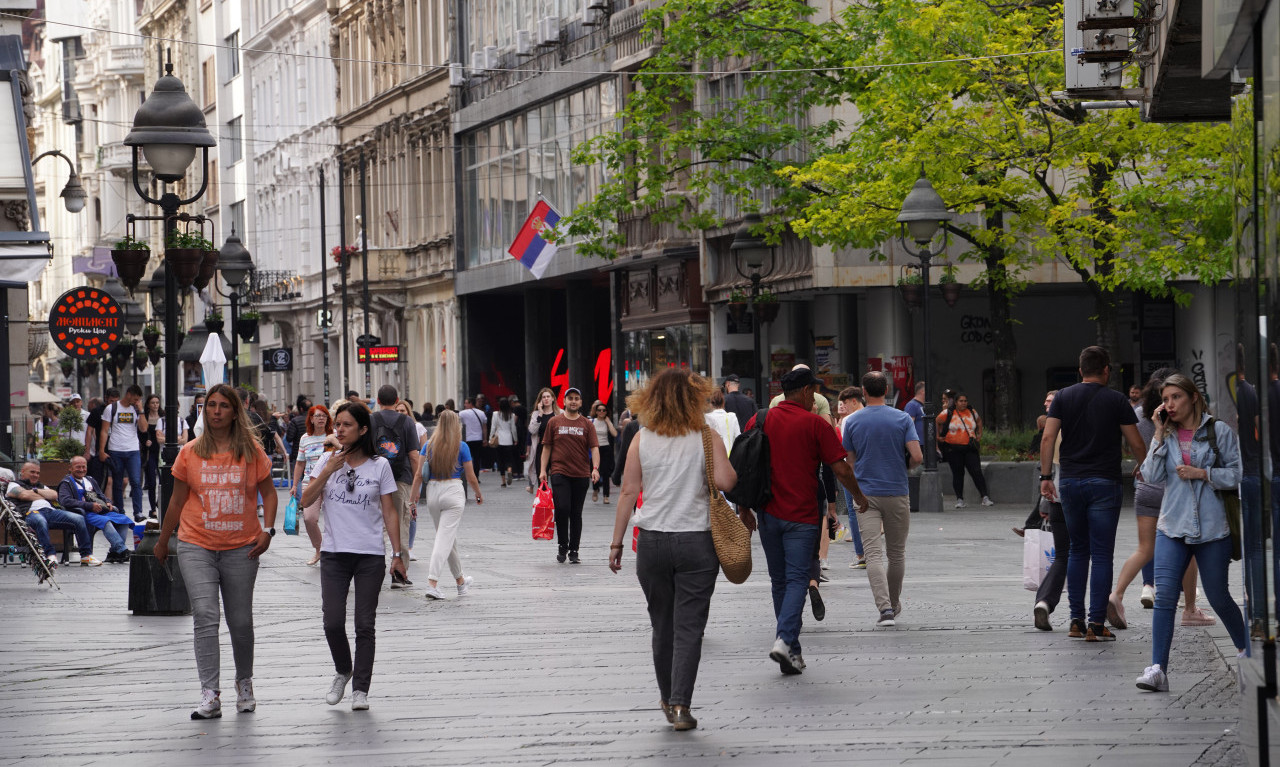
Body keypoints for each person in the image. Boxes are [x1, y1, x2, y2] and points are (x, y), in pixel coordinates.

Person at [608, 368, 737, 732]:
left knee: (661, 625)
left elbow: (628, 493)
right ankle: (681, 704)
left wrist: (617, 543)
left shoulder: (641, 439)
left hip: (651, 541)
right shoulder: (706, 437)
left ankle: (667, 699)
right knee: (689, 627)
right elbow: (727, 481)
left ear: (652, 399)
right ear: (695, 398)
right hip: (697, 539)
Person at [154, 383, 277, 720]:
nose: (217, 411)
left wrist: (268, 532)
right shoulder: (190, 451)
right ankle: (210, 693)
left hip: (242, 546)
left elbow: (270, 493)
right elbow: (177, 500)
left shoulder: (251, 450)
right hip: (196, 544)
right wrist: (164, 540)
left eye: (224, 405)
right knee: (205, 616)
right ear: (204, 411)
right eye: (211, 406)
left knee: (240, 621)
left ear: (235, 411)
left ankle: (244, 683)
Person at [741, 367, 868, 674]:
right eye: (815, 389)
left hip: (767, 514)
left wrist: (743, 509)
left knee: (780, 581)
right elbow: (841, 469)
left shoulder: (759, 420)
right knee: (798, 578)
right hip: (802, 516)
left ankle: (792, 653)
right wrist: (860, 498)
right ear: (807, 391)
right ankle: (784, 640)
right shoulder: (815, 425)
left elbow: (743, 464)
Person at [1135, 373, 1248, 692]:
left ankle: (1244, 654)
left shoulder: (1219, 431)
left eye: (1175, 398)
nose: (1169, 404)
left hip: (1214, 529)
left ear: (1193, 397)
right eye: (1165, 399)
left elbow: (1237, 474)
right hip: (1173, 526)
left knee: (1218, 596)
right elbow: (1151, 475)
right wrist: (1157, 435)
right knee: (1165, 597)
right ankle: (1157, 669)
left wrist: (1203, 473)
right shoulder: (1166, 435)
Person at [300, 401, 407, 711]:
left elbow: (390, 511)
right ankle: (343, 669)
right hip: (333, 553)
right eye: (338, 425)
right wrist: (326, 472)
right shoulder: (326, 461)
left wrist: (397, 554)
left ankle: (360, 689)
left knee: (364, 624)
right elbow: (306, 498)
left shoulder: (380, 466)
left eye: (346, 425)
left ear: (363, 430)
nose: (339, 430)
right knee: (332, 623)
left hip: (369, 554)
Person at [1040, 346, 1146, 642]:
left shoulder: (1062, 397)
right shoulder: (1116, 400)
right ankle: (1096, 624)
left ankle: (1075, 620)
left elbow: (1048, 437)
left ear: (1080, 370)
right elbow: (1136, 442)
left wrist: (1046, 476)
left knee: (1076, 550)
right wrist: (1144, 465)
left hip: (1071, 482)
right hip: (1104, 483)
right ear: (1107, 370)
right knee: (1101, 555)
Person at [1109, 370, 1213, 630]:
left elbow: (1134, 444)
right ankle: (1189, 609)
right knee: (1189, 550)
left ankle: (1116, 595)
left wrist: (1141, 462)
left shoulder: (1139, 415)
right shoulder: (1180, 419)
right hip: (1174, 490)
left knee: (1145, 549)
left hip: (1145, 485)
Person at [843, 371, 923, 626]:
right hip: (897, 491)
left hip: (866, 494)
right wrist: (904, 466)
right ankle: (895, 602)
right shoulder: (902, 418)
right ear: (886, 390)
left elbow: (850, 461)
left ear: (863, 392)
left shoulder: (853, 421)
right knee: (897, 554)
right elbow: (918, 456)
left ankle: (885, 609)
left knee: (873, 554)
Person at [408, 409, 483, 600]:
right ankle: (432, 583)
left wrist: (413, 496)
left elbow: (418, 474)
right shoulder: (462, 446)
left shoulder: (429, 445)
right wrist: (478, 494)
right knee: (444, 540)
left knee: (447, 538)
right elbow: (471, 476)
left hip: (433, 493)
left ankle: (460, 582)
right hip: (453, 492)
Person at [370, 385, 424, 588]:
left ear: (378, 399)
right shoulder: (407, 421)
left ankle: (372, 571)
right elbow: (413, 454)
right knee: (401, 524)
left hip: (375, 479)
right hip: (401, 479)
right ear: (398, 399)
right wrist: (417, 485)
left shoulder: (371, 420)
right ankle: (399, 574)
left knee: (374, 524)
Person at [539, 386, 601, 564]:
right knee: (562, 508)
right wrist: (543, 470)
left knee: (576, 512)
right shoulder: (554, 422)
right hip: (559, 472)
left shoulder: (587, 424)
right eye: (570, 398)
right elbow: (547, 447)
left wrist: (595, 468)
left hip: (581, 473)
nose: (573, 401)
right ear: (564, 401)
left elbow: (595, 448)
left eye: (576, 398)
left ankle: (574, 549)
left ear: (580, 402)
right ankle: (562, 545)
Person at [6, 461, 101, 567]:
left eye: (38, 473)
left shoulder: (40, 485)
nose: (35, 475)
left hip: (50, 512)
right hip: (30, 513)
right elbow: (23, 495)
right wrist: (43, 495)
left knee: (79, 518)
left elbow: (54, 495)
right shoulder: (13, 484)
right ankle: (50, 555)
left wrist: (35, 491)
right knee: (40, 521)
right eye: (32, 472)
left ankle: (86, 555)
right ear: (22, 472)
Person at [58, 455, 133, 563]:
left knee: (124, 520)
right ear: (70, 468)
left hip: (99, 512)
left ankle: (114, 553)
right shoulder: (66, 483)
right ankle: (122, 549)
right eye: (78, 467)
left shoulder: (90, 480)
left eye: (84, 467)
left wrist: (108, 502)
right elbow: (65, 501)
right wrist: (89, 506)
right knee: (105, 521)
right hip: (82, 514)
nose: (81, 470)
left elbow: (101, 495)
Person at [292, 405, 337, 567]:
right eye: (317, 416)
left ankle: (335, 551)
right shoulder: (305, 438)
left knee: (335, 519)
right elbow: (299, 463)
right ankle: (319, 549)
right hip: (310, 483)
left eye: (324, 416)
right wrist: (294, 484)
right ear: (311, 418)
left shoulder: (334, 436)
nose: (321, 418)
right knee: (309, 518)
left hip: (332, 482)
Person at [99, 384, 149, 522]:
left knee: (136, 481)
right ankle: (120, 511)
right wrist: (102, 451)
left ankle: (138, 512)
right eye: (136, 398)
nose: (137, 401)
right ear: (129, 394)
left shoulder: (136, 409)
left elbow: (144, 429)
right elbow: (104, 430)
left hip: (133, 449)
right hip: (116, 449)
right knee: (117, 482)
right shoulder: (112, 408)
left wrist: (141, 410)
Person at [935, 392, 993, 508]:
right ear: (956, 402)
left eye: (965, 401)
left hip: (970, 447)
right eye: (961, 401)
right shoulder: (948, 413)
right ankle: (960, 499)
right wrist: (938, 436)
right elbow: (937, 421)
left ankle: (985, 497)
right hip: (953, 448)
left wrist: (979, 434)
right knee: (958, 474)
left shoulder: (972, 412)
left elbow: (979, 421)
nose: (963, 403)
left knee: (976, 471)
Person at [836, 387, 867, 565]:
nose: (844, 406)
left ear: (854, 401)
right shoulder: (875, 416)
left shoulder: (848, 420)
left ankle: (861, 555)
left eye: (846, 403)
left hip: (853, 470)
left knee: (854, 511)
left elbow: (846, 450)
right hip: (872, 471)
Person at [526, 387, 559, 493]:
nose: (546, 399)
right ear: (540, 400)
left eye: (548, 396)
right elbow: (532, 430)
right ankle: (544, 503)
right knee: (542, 477)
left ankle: (557, 501)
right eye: (543, 397)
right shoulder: (536, 414)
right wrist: (540, 414)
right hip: (541, 448)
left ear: (553, 398)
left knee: (557, 477)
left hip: (557, 449)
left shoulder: (560, 413)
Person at [489, 397, 521, 487]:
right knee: (509, 459)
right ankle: (510, 470)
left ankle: (503, 481)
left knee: (500, 461)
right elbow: (513, 429)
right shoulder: (511, 415)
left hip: (499, 440)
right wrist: (515, 439)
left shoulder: (495, 414)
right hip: (508, 440)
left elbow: (493, 427)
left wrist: (490, 438)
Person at [590, 401, 618, 503]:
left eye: (604, 410)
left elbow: (615, 434)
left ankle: (606, 496)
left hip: (606, 448)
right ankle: (595, 489)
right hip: (595, 448)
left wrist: (608, 422)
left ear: (606, 412)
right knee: (595, 470)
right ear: (596, 412)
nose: (601, 412)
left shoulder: (607, 421)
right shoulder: (592, 421)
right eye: (599, 410)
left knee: (605, 473)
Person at [142, 394, 163, 517]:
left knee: (163, 480)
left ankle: (158, 503)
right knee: (151, 482)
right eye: (153, 402)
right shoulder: (145, 417)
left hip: (161, 451)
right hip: (150, 452)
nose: (155, 405)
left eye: (157, 402)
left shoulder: (163, 416)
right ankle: (152, 508)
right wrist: (145, 442)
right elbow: (140, 432)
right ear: (148, 405)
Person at [703, 389, 741, 454]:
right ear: (723, 402)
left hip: (715, 457)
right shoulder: (732, 416)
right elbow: (738, 437)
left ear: (711, 404)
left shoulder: (707, 418)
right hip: (732, 457)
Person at [460, 397, 489, 474]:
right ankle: (476, 475)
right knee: (477, 458)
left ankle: (468, 474)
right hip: (478, 439)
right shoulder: (481, 413)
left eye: (466, 403)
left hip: (467, 439)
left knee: (466, 458)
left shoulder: (462, 413)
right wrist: (485, 439)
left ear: (470, 403)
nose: (464, 405)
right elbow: (484, 427)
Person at [285, 395, 313, 467]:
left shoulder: (295, 421)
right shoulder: (315, 420)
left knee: (298, 476)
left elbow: (289, 438)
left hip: (298, 453)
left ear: (301, 409)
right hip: (313, 452)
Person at [510, 394, 528, 481]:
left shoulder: (516, 409)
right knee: (521, 453)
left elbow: (514, 421)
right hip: (523, 432)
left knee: (515, 453)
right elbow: (525, 421)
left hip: (517, 432)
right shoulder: (524, 408)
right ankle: (521, 473)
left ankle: (515, 473)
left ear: (512, 402)